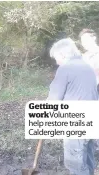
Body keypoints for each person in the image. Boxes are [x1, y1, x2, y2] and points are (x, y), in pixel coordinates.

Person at [48, 38, 98, 175]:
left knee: (75, 163)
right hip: (92, 118)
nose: (56, 62)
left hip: (76, 120)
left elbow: (54, 99)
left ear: (63, 55)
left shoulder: (66, 68)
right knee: (87, 157)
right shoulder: (86, 66)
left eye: (57, 58)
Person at [79, 28, 99, 93]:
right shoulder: (83, 57)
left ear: (94, 38)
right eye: (82, 41)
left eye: (86, 40)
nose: (84, 43)